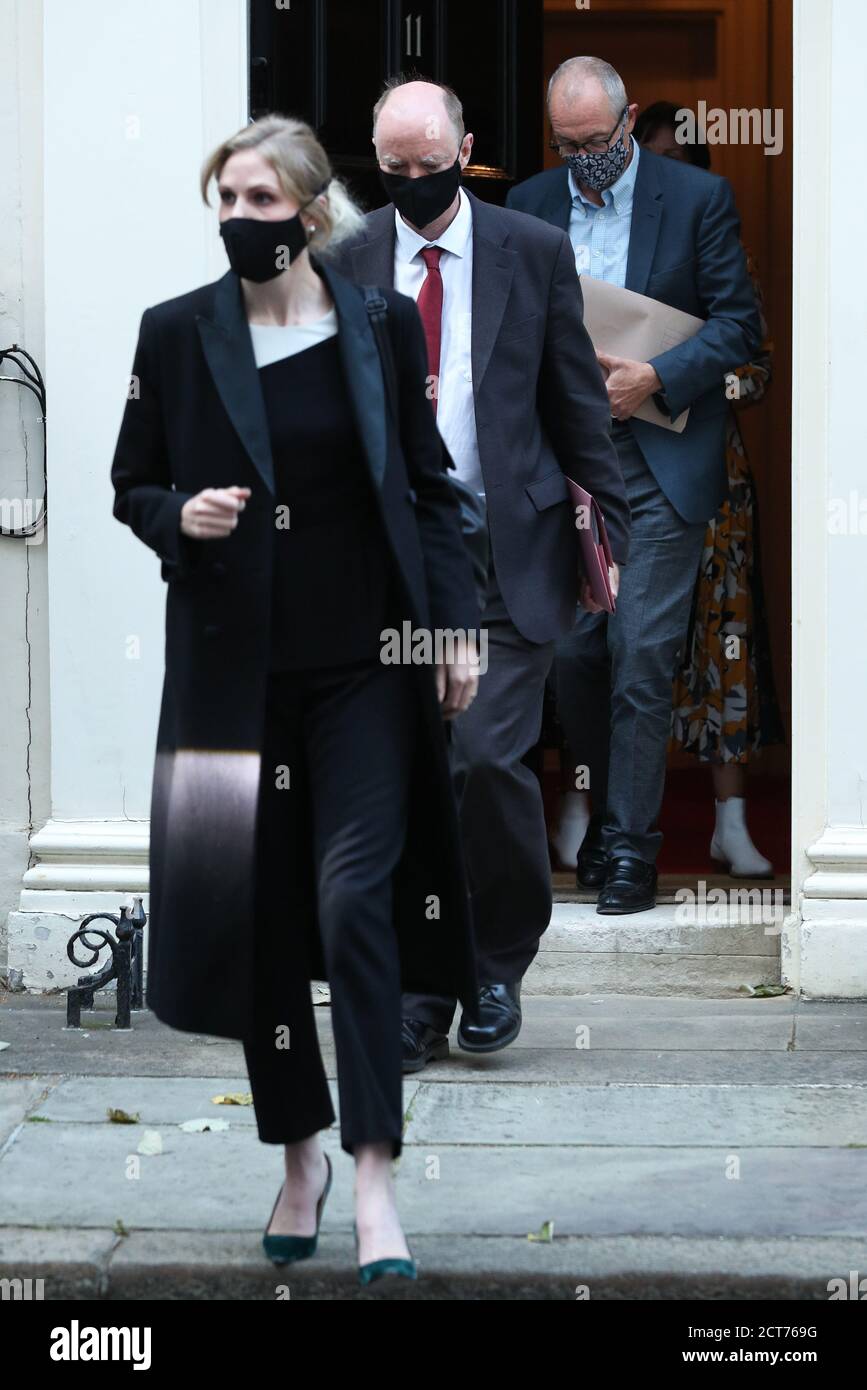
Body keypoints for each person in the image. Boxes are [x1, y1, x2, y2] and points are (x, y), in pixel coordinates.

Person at [110, 114, 482, 1285]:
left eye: (263, 200)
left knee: (355, 902)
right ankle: (301, 1153)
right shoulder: (175, 334)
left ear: (313, 211)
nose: (241, 220)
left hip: (366, 663)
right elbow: (132, 483)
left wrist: (454, 626)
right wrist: (183, 516)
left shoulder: (374, 324)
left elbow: (431, 486)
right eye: (226, 198)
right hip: (233, 676)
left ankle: (374, 1173)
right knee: (260, 921)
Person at [335, 74, 631, 1065]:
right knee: (408, 776)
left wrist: (607, 539)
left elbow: (575, 400)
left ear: (468, 151)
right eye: (393, 169)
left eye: (430, 165)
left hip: (509, 553)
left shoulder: (531, 251)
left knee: (487, 762)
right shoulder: (348, 258)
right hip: (390, 561)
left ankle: (496, 961)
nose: (413, 182)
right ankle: (423, 989)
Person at [508, 57, 762, 913]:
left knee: (640, 657)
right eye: (566, 143)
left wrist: (651, 375)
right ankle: (601, 814)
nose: (584, 158)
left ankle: (629, 851)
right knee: (576, 655)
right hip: (564, 467)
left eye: (597, 141)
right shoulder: (528, 205)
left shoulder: (695, 200)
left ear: (626, 126)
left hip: (658, 462)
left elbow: (739, 325)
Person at [635, 101, 783, 877]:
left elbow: (755, 367)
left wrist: (674, 374)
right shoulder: (605, 251)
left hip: (711, 474)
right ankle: (586, 812)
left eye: (676, 161)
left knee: (722, 643)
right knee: (614, 637)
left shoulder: (718, 248)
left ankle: (729, 820)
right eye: (649, 158)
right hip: (620, 466)